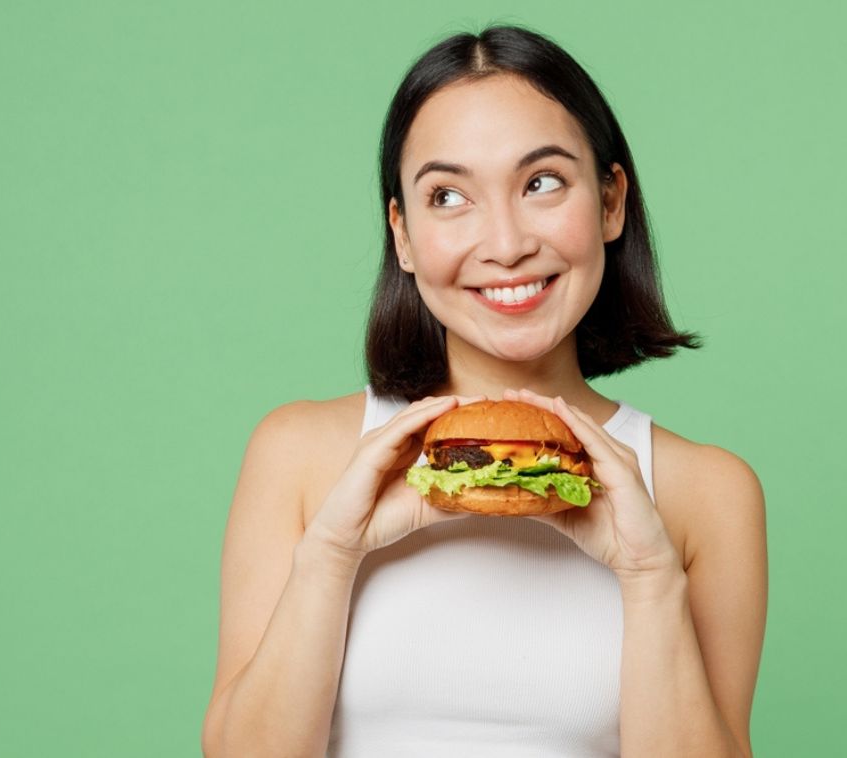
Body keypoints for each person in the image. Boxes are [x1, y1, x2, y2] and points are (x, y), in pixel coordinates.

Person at [201, 23, 767, 758]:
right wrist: (332, 553)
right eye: (447, 196)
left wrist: (650, 577)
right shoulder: (301, 455)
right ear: (402, 235)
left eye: (541, 183)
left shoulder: (707, 494)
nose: (504, 244)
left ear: (610, 203)